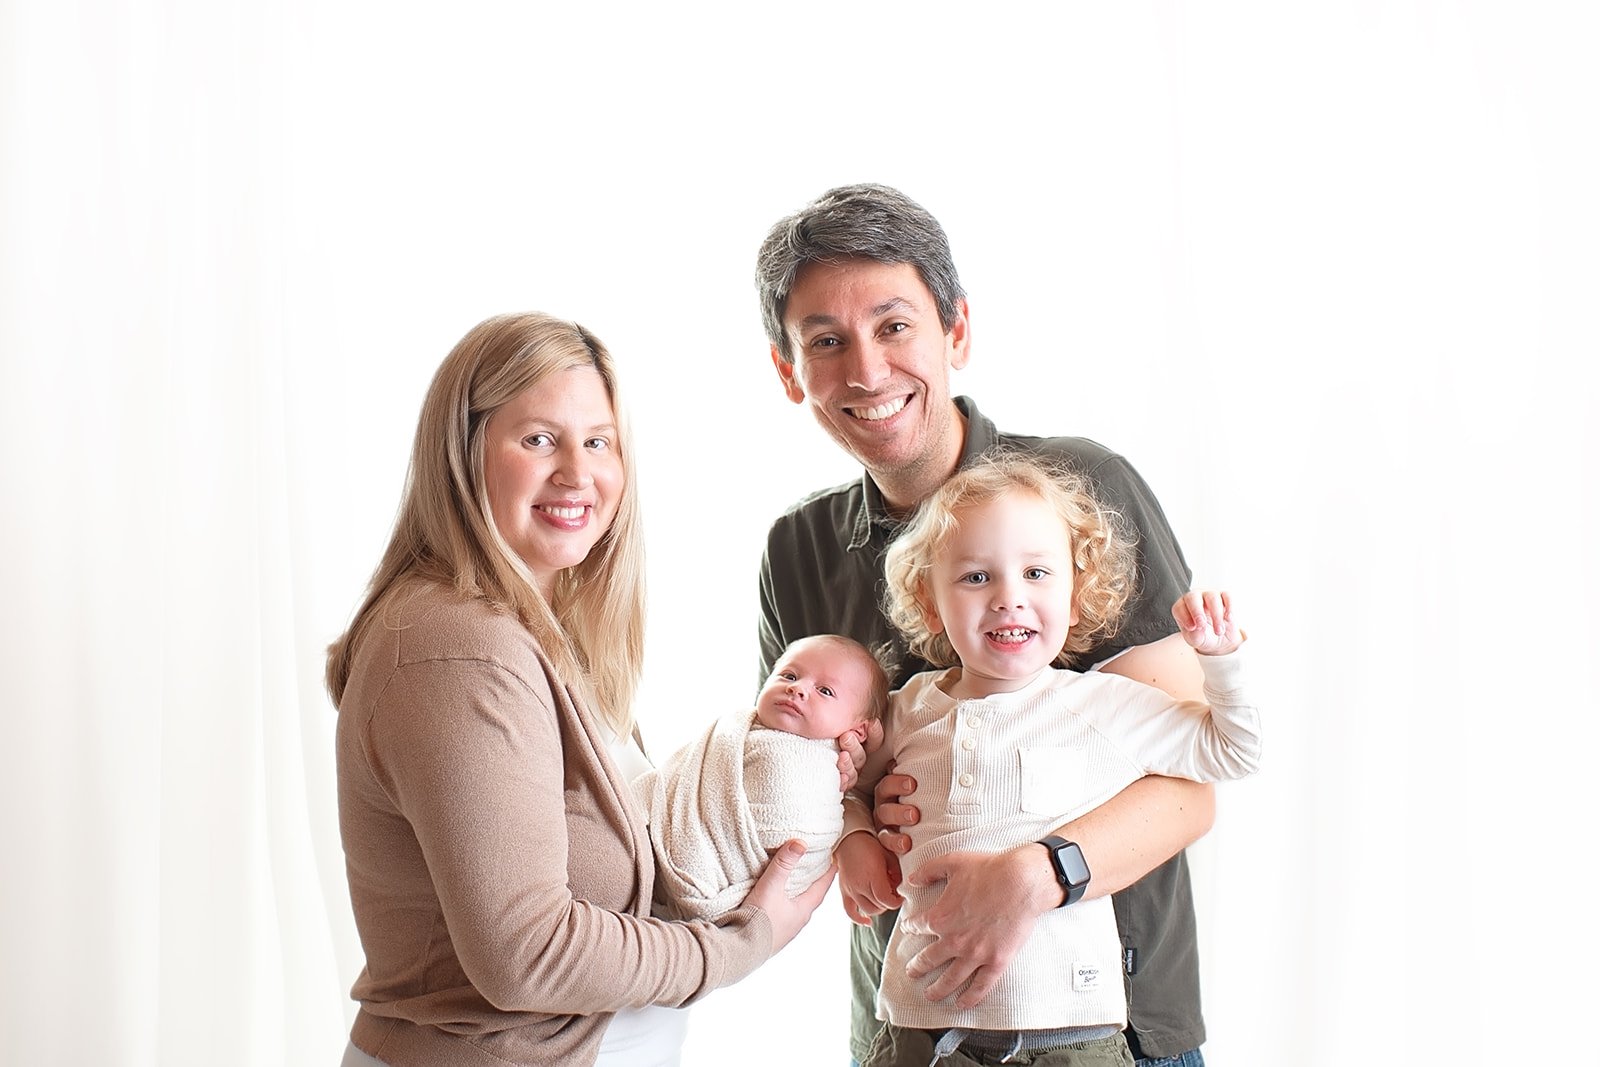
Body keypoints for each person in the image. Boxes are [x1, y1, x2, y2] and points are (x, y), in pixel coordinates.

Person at [754, 183, 1216, 1067]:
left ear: (955, 329)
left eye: (895, 326)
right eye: (826, 341)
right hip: (910, 1029)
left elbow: (1190, 785)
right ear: (788, 370)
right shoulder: (798, 549)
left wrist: (1039, 873)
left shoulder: (1086, 493)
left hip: (1112, 1029)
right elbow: (786, 784)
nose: (866, 370)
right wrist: (856, 811)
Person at [326, 312, 834, 1067]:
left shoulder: (539, 630)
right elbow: (525, 952)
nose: (577, 472)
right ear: (463, 454)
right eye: (538, 439)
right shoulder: (458, 646)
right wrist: (734, 947)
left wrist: (806, 769)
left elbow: (635, 855)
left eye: (598, 441)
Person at [836, 454, 1262, 1067]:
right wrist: (853, 829)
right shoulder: (907, 711)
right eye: (976, 577)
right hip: (918, 1033)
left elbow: (1232, 751)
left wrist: (1221, 663)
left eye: (1037, 572)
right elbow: (831, 783)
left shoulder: (1103, 707)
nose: (1010, 598)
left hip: (1069, 1036)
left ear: (1075, 596)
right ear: (930, 602)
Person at [636, 634, 889, 921]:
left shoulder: (819, 773)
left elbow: (787, 832)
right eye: (789, 675)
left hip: (711, 877)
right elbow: (689, 776)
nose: (798, 689)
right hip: (647, 839)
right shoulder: (740, 730)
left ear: (857, 733)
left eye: (825, 691)